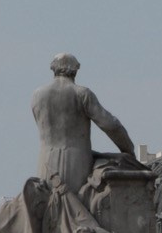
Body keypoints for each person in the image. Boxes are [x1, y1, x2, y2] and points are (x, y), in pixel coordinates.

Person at [31, 53, 143, 189]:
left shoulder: (37, 95)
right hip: (76, 163)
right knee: (80, 205)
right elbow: (111, 125)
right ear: (75, 70)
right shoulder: (81, 93)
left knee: (49, 206)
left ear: (53, 69)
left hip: (45, 164)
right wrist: (128, 150)